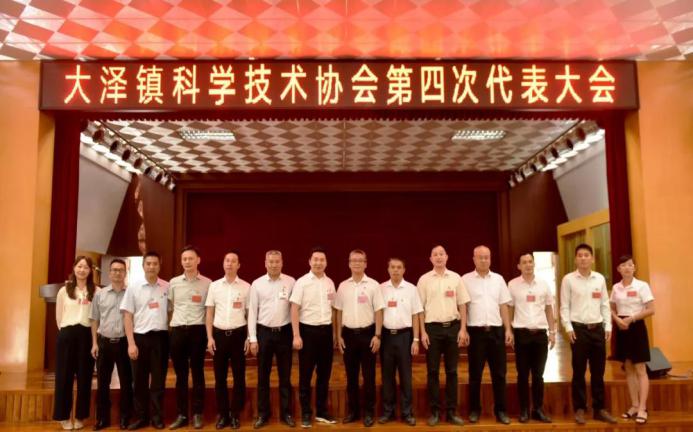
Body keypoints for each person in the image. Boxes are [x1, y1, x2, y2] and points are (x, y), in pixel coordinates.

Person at [560, 243, 617, 425]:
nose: (583, 258)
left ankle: (599, 408)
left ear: (592, 259)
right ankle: (580, 408)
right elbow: (564, 306)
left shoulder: (599, 279)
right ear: (575, 259)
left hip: (598, 329)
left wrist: (608, 327)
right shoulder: (568, 280)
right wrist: (568, 327)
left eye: (586, 255)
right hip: (578, 330)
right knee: (578, 371)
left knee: (598, 371)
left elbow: (605, 304)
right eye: (580, 255)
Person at [417, 245, 469, 426]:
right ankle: (434, 412)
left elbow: (462, 304)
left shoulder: (456, 278)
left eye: (441, 254)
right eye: (435, 254)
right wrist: (422, 332)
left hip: (453, 328)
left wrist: (463, 329)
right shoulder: (424, 280)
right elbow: (419, 309)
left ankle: (451, 412)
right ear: (430, 259)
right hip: (432, 330)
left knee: (452, 371)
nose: (438, 257)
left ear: (447, 257)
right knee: (432, 371)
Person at [462, 245, 513, 425]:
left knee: (499, 374)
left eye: (487, 257)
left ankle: (501, 411)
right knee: (475, 374)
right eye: (480, 257)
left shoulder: (499, 279)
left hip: (496, 332)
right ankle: (474, 410)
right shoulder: (465, 280)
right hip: (475, 333)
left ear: (490, 259)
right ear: (474, 259)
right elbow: (463, 307)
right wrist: (463, 329)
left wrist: (508, 329)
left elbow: (503, 305)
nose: (484, 260)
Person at [334, 249, 385, 427]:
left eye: (360, 260)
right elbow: (338, 312)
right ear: (349, 263)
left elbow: (379, 311)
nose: (356, 263)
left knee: (369, 376)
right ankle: (353, 411)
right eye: (353, 260)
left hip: (368, 335)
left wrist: (377, 335)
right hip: (348, 336)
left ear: (365, 263)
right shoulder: (342, 286)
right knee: (351, 376)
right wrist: (338, 335)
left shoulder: (373, 285)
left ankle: (369, 412)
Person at [121, 251, 169, 430]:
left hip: (160, 339)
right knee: (139, 381)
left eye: (155, 263)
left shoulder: (167, 287)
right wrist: (131, 343)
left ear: (160, 266)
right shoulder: (133, 287)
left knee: (158, 381)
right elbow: (127, 316)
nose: (151, 267)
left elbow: (172, 311)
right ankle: (141, 417)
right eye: (148, 263)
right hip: (139, 338)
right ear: (143, 266)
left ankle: (157, 417)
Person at [248, 250, 297, 429]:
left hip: (284, 332)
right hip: (264, 333)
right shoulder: (257, 284)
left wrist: (295, 334)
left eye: (277, 261)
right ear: (265, 263)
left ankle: (286, 413)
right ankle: (263, 414)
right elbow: (252, 311)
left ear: (282, 263)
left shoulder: (291, 282)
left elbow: (295, 309)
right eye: (271, 261)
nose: (274, 265)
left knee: (285, 376)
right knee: (263, 376)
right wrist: (253, 338)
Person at [290, 247, 338, 428]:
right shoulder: (301, 283)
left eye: (322, 259)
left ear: (326, 262)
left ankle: (322, 412)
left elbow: (333, 309)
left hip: (326, 333)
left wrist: (334, 334)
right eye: (315, 259)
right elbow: (294, 309)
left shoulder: (330, 282)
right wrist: (296, 335)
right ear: (309, 261)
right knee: (305, 375)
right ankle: (306, 413)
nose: (318, 262)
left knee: (324, 375)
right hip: (307, 332)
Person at [507, 253, 556, 424]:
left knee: (538, 375)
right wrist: (509, 331)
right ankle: (524, 410)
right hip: (522, 334)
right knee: (522, 374)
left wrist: (552, 331)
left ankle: (538, 409)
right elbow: (510, 309)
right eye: (524, 262)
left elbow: (549, 308)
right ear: (519, 266)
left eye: (530, 262)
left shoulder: (543, 284)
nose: (528, 265)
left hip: (540, 334)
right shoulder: (512, 285)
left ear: (534, 264)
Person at [205, 251, 250, 429]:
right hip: (219, 336)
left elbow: (250, 314)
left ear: (239, 265)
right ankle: (223, 414)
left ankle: (235, 414)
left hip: (239, 336)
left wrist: (249, 337)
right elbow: (209, 313)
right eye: (227, 260)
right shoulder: (214, 286)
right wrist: (209, 337)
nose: (230, 264)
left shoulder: (246, 287)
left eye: (233, 261)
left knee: (239, 377)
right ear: (223, 264)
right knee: (220, 378)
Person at [168, 245, 212, 430]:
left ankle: (197, 413)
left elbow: (209, 310)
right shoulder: (173, 283)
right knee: (181, 375)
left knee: (198, 373)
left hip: (198, 332)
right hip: (178, 331)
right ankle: (182, 415)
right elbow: (170, 307)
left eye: (191, 258)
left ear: (198, 260)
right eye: (184, 259)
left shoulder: (208, 283)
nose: (187, 262)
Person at [53, 256, 98, 431]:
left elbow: (95, 319)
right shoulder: (64, 291)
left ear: (90, 270)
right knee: (64, 377)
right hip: (67, 335)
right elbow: (59, 316)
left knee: (85, 378)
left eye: (86, 267)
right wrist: (66, 333)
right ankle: (63, 417)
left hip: (87, 335)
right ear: (74, 268)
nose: (82, 270)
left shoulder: (96, 291)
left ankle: (80, 416)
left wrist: (94, 342)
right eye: (79, 266)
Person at [610, 254, 655, 425]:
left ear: (634, 268)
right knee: (628, 368)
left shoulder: (642, 286)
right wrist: (617, 320)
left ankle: (643, 408)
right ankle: (634, 405)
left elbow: (651, 309)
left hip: (636, 327)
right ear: (618, 269)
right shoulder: (616, 288)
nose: (627, 267)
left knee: (640, 368)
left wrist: (631, 319)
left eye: (630, 264)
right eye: (623, 265)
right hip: (622, 328)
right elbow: (611, 308)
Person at [378, 258, 422, 426]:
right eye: (392, 267)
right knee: (387, 376)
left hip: (405, 336)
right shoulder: (381, 288)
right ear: (388, 269)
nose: (395, 270)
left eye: (399, 267)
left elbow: (416, 314)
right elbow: (378, 314)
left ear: (404, 270)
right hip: (386, 337)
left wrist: (416, 339)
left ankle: (406, 413)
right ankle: (388, 412)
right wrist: (378, 336)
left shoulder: (412, 289)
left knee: (406, 377)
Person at [90, 258, 133, 431]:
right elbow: (94, 319)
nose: (117, 273)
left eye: (121, 270)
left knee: (126, 382)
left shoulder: (131, 294)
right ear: (109, 273)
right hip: (104, 343)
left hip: (124, 343)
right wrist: (94, 343)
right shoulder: (99, 294)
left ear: (125, 273)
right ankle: (102, 419)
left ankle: (125, 418)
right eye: (114, 270)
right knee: (102, 383)